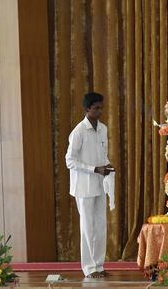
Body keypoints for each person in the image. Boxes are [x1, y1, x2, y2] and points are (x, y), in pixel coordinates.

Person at [65, 92, 114, 278]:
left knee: (101, 226)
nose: (100, 111)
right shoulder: (78, 131)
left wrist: (107, 165)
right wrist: (94, 169)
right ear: (87, 109)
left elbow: (103, 155)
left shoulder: (103, 128)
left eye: (101, 107)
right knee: (87, 227)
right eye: (96, 108)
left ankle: (99, 265)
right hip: (84, 187)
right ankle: (89, 268)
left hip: (100, 184)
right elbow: (69, 161)